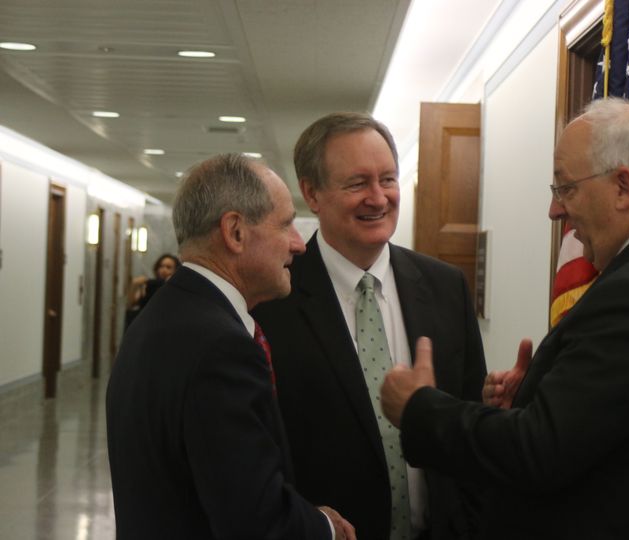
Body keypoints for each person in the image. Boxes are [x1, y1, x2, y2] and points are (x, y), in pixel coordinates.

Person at [380, 98, 629, 539]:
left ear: (624, 187)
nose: (555, 211)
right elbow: (602, 428)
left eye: (565, 188)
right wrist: (534, 398)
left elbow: (537, 452)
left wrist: (420, 408)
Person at [251, 112, 487, 540]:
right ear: (312, 193)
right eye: (357, 184)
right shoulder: (272, 300)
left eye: (388, 180)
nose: (378, 198)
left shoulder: (445, 286)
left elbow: (467, 419)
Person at [106, 153, 355, 540]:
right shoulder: (220, 347)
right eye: (286, 224)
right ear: (235, 231)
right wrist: (326, 528)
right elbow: (254, 520)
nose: (298, 244)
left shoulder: (165, 315)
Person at [124, 253, 180, 328]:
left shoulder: (176, 289)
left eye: (168, 267)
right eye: (161, 266)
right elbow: (130, 304)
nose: (164, 270)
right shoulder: (148, 286)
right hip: (144, 325)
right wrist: (134, 285)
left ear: (175, 270)